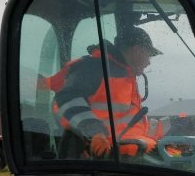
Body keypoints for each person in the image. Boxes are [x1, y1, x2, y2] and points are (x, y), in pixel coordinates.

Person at [44, 26, 164, 158]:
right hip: (101, 157)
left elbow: (124, 121)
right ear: (136, 51)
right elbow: (67, 98)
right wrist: (95, 132)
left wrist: (166, 129)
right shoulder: (95, 69)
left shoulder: (125, 75)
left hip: (126, 154)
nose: (148, 62)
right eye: (148, 55)